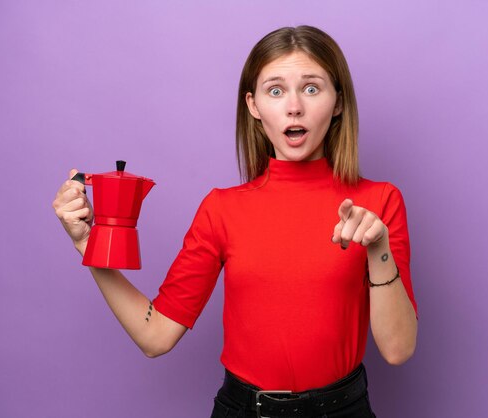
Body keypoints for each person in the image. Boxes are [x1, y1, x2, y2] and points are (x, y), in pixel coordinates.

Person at [53, 25, 418, 418]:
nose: (294, 106)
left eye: (311, 88)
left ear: (339, 102)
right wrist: (88, 246)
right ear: (254, 105)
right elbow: (154, 335)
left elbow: (398, 350)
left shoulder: (380, 202)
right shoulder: (221, 209)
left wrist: (378, 248)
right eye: (275, 90)